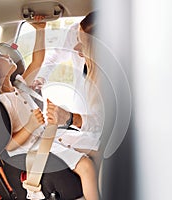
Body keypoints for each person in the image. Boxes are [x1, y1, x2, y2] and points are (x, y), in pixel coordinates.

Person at [0, 15, 99, 200]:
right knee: (86, 167)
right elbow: (7, 146)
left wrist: (40, 30)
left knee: (99, 153)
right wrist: (30, 125)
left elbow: (38, 61)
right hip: (32, 149)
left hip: (47, 138)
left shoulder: (19, 85)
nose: (6, 53)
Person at [46, 11, 103, 199]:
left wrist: (70, 118)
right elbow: (52, 57)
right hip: (88, 129)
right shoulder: (78, 34)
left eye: (83, 44)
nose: (76, 48)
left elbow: (101, 122)